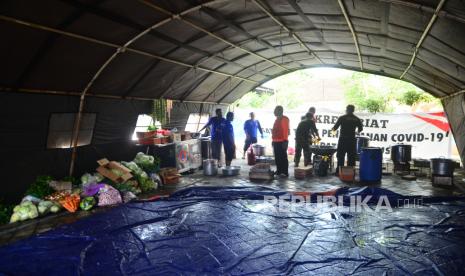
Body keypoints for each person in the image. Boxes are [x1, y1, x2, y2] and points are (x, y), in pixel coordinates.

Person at [331, 105, 363, 175]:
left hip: (343, 139)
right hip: (352, 139)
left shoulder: (342, 118)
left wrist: (332, 132)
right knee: (351, 156)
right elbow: (360, 129)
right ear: (353, 110)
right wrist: (356, 132)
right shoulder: (356, 119)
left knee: (340, 155)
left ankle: (339, 172)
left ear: (346, 109)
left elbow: (334, 128)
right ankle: (350, 172)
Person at [272, 105, 290, 177]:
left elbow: (285, 130)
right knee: (277, 157)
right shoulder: (277, 119)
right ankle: (279, 171)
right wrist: (273, 140)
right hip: (276, 141)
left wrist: (285, 141)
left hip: (282, 141)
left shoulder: (284, 119)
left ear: (280, 111)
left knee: (283, 157)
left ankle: (285, 172)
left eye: (276, 110)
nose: (274, 112)